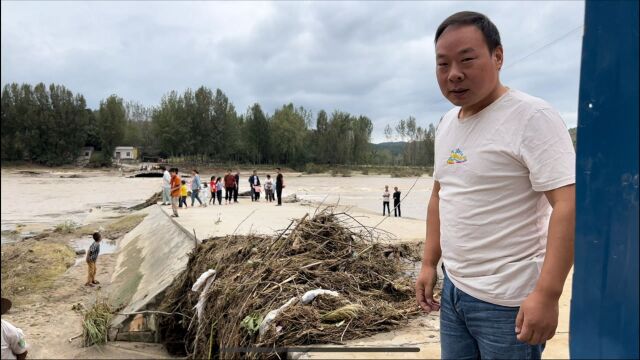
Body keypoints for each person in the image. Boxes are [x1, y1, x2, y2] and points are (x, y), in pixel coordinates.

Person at [415, 11, 576, 360]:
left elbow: (569, 205)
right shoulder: (446, 124)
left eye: (467, 59)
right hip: (454, 290)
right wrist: (429, 263)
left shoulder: (532, 117)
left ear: (498, 56)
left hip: (508, 303)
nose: (453, 74)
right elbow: (440, 195)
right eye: (443, 64)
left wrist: (547, 295)